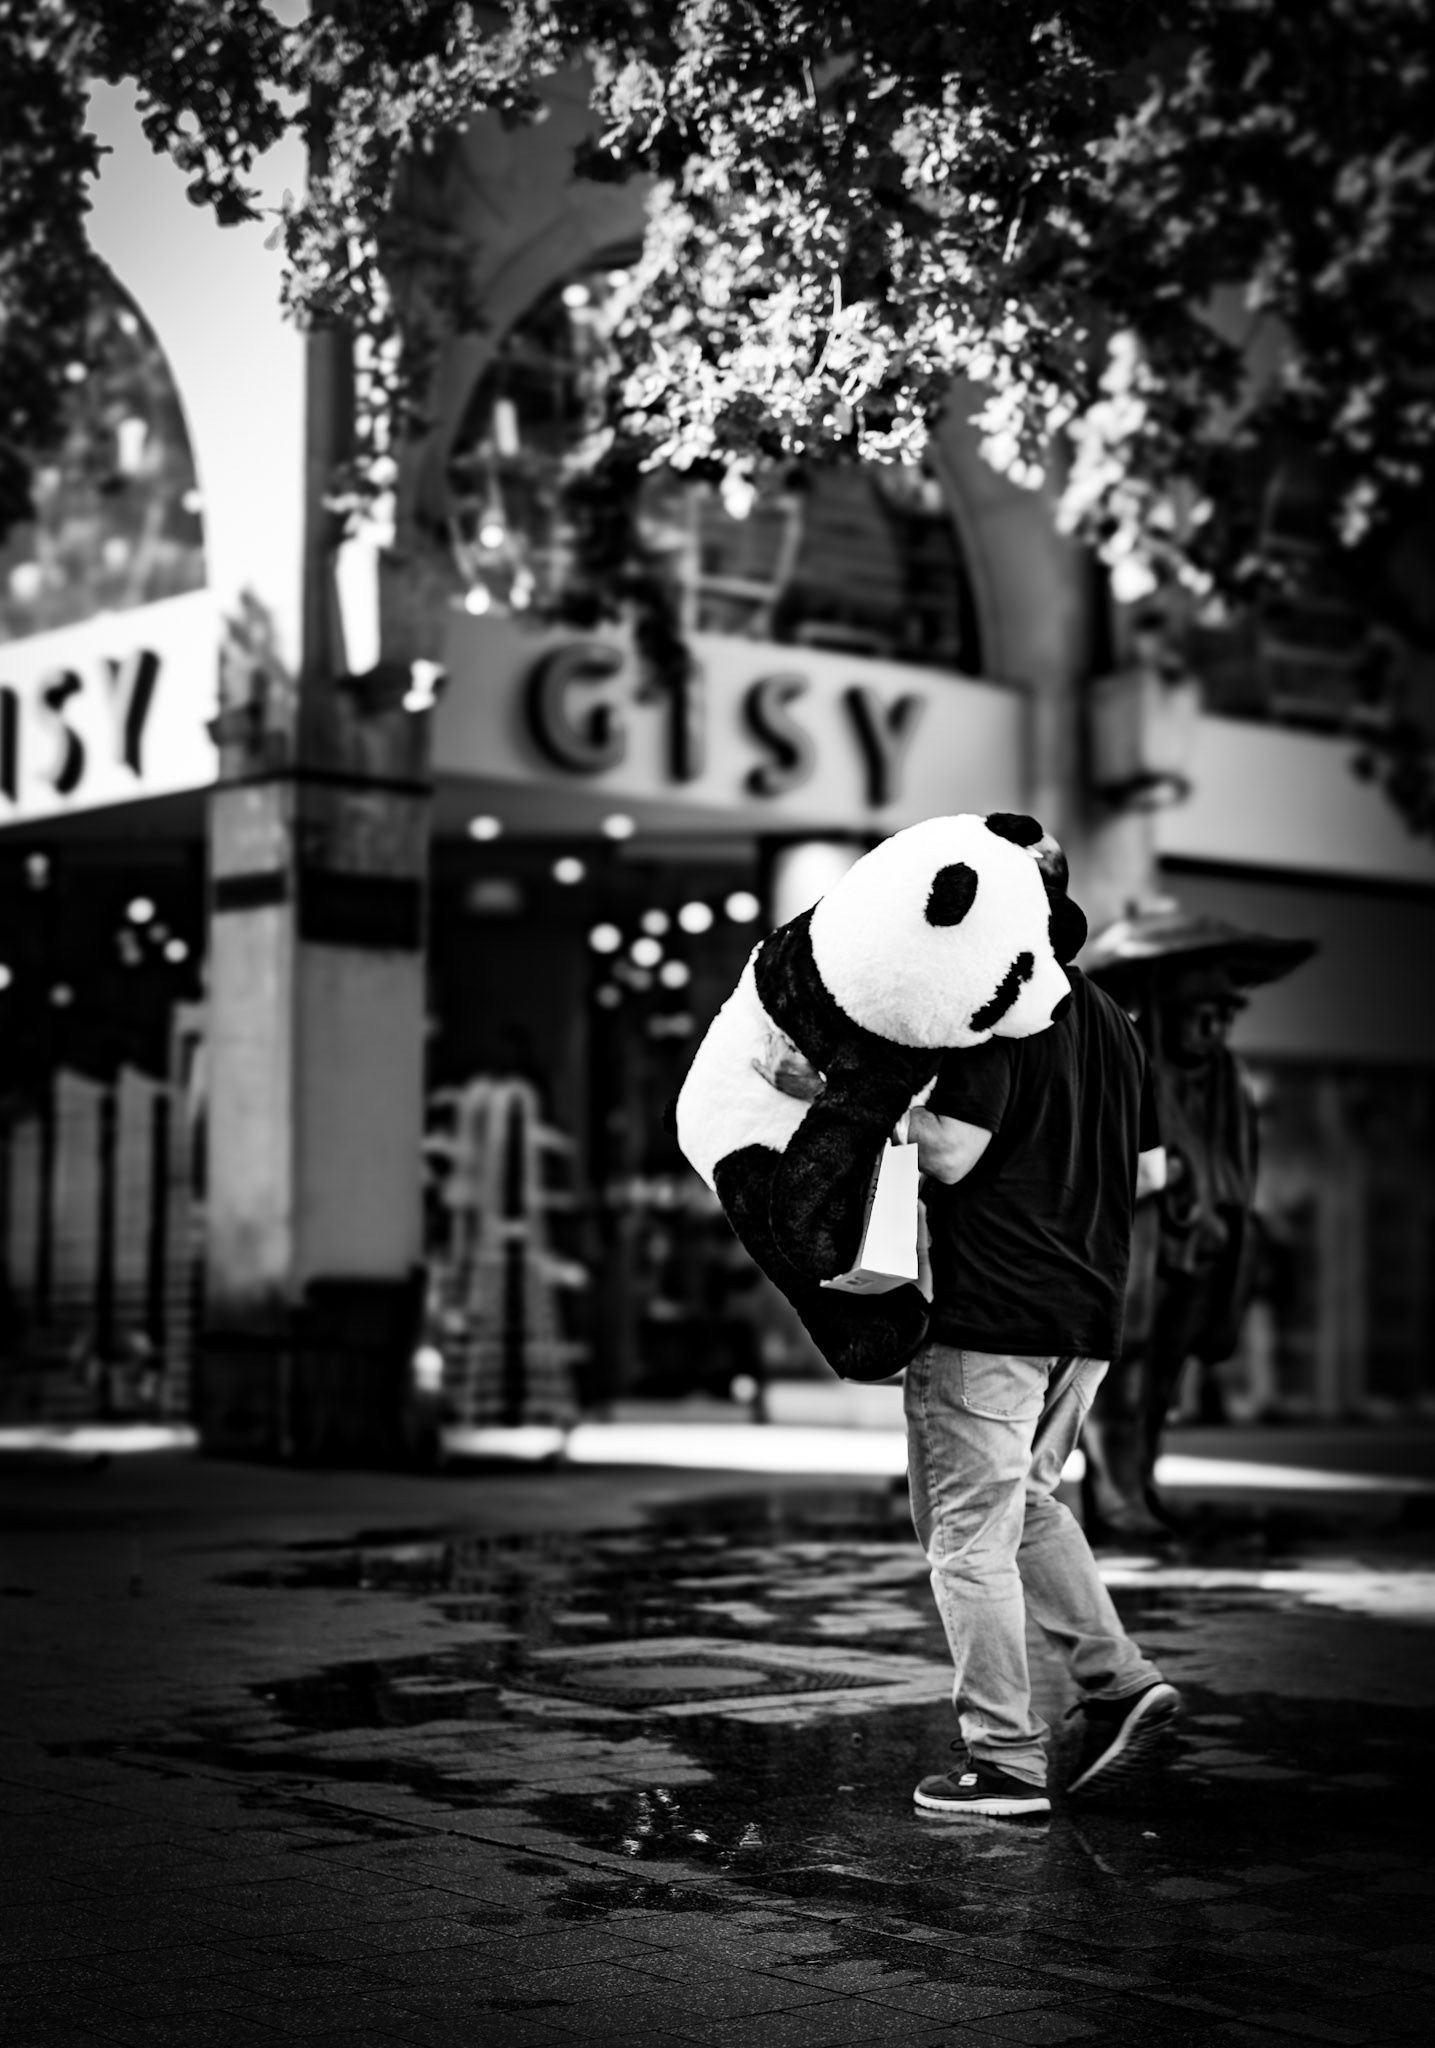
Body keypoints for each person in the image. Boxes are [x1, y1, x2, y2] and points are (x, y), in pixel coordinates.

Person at [901, 948, 1180, 1818]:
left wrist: (862, 1107)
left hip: (992, 1311)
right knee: (1022, 1502)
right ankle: (1118, 1683)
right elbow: (1149, 1173)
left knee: (966, 1534)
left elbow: (951, 1153)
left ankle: (1005, 1762)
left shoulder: (995, 1005)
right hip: (1084, 1312)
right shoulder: (1112, 1023)